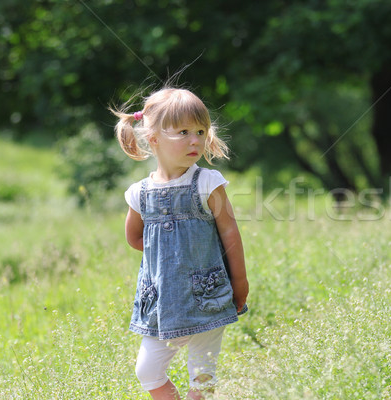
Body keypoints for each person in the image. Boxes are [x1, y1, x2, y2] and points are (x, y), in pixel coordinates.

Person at [111, 87, 249, 400]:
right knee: (147, 371)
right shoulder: (139, 193)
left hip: (208, 296)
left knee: (202, 375)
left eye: (201, 131)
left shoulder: (207, 183)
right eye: (184, 132)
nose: (195, 140)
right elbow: (135, 237)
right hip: (162, 303)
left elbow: (230, 233)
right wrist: (169, 259)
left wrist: (239, 280)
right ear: (154, 137)